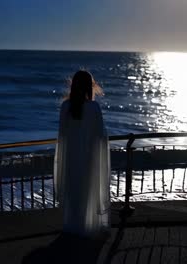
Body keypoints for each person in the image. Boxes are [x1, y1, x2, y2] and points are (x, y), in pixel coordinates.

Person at [54, 70, 111, 238]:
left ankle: (73, 224)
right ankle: (87, 224)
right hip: (89, 154)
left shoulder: (66, 106)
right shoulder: (93, 107)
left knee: (73, 190)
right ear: (89, 86)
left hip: (71, 155)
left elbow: (62, 135)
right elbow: (100, 135)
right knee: (88, 189)